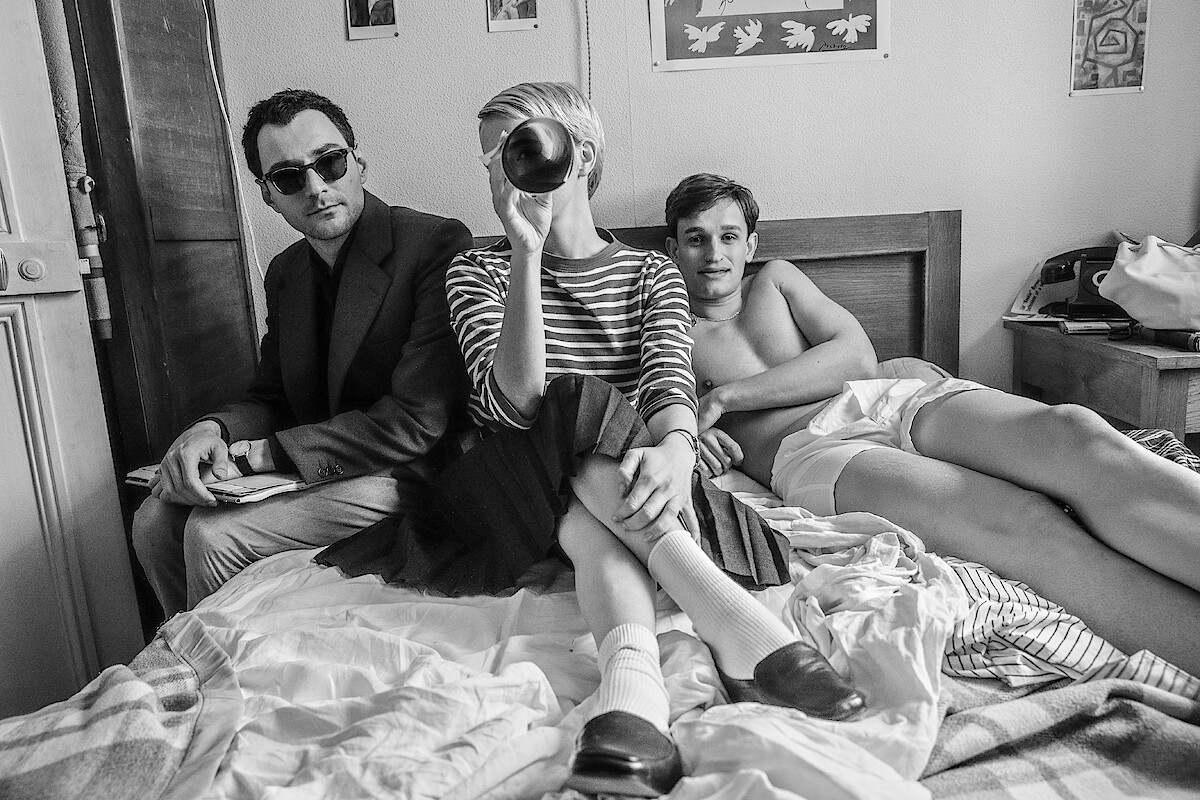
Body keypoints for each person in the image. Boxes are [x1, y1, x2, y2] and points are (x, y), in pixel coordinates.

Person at [319, 84, 863, 798]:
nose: (504, 167)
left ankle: (632, 702)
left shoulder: (651, 272)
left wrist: (677, 447)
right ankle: (737, 626)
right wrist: (525, 254)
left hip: (617, 490)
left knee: (586, 515)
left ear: (580, 154)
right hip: (510, 485)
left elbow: (668, 382)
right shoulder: (476, 269)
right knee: (570, 400)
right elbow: (514, 405)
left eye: (520, 144)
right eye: (490, 157)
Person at [664, 172, 1200, 677]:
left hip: (885, 396)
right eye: (695, 239)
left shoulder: (776, 280)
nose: (714, 254)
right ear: (672, 250)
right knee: (1018, 520)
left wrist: (723, 398)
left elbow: (856, 357)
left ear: (751, 244)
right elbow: (642, 425)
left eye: (728, 236)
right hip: (811, 452)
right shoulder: (666, 333)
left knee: (1077, 435)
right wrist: (684, 434)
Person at [131, 89, 473, 619]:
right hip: (318, 467)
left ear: (358, 163)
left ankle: (223, 663)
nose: (315, 188)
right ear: (268, 195)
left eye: (330, 163)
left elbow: (416, 422)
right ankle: (186, 651)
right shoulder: (286, 271)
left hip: (410, 471)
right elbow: (271, 395)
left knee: (213, 535)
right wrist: (212, 430)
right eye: (289, 177)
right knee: (153, 522)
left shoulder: (434, 244)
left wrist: (258, 455)